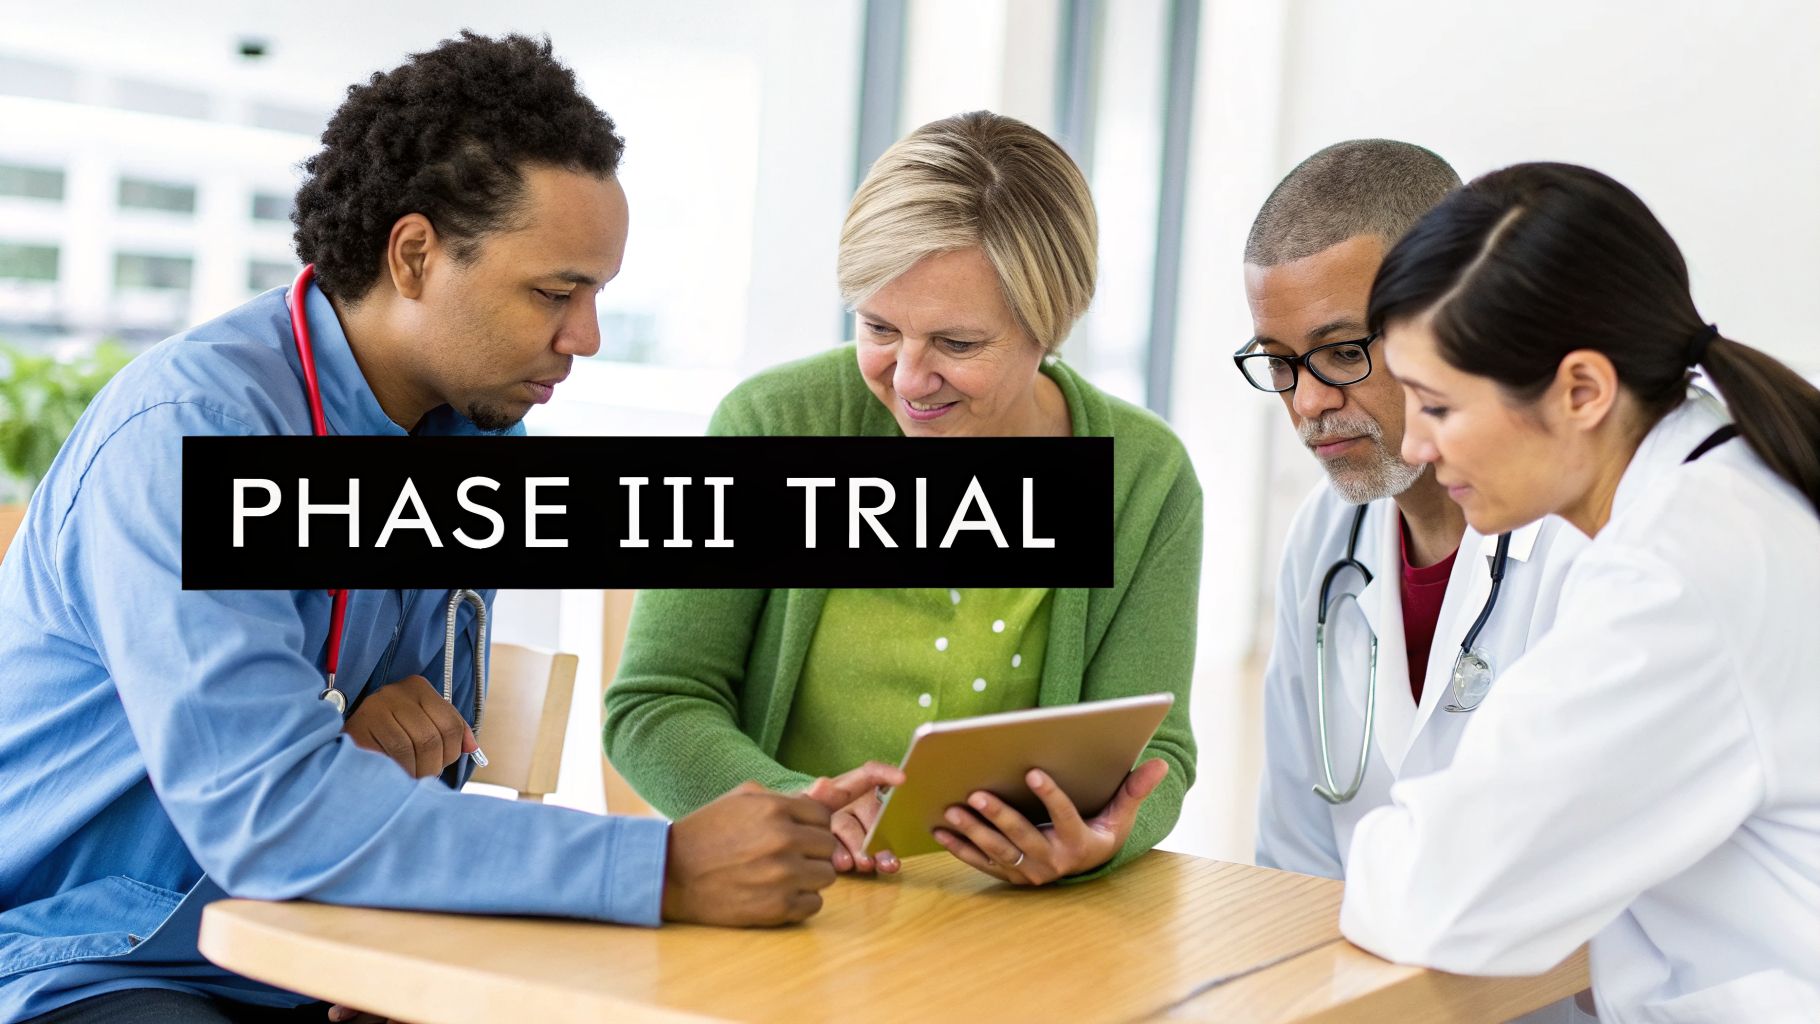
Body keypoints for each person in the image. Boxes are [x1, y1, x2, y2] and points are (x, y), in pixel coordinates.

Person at [0, 34, 890, 1024]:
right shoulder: (190, 433)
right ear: (415, 254)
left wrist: (353, 821)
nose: (585, 337)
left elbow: (426, 754)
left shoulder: (471, 433)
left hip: (321, 940)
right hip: (90, 955)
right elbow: (274, 815)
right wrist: (663, 866)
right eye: (555, 292)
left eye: (595, 294)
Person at [606, 111, 1200, 886]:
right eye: (879, 327)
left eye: (957, 345)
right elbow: (655, 705)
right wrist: (793, 806)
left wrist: (1101, 839)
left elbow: (1158, 753)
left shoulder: (1142, 477)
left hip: (1016, 927)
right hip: (793, 899)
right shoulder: (776, 427)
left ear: (1047, 327)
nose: (910, 379)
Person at [1339, 161, 1820, 1022]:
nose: (1411, 446)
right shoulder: (1728, 472)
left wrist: (1386, 842)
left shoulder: (1677, 577)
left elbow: (1440, 897)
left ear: (1583, 390)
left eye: (1438, 406)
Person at [1239, 141, 1591, 1022]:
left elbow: (1562, 893)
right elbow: (1293, 857)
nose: (1308, 403)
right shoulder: (1325, 538)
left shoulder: (1576, 546)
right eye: (1279, 364)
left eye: (1341, 353)